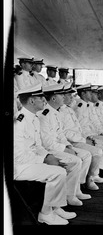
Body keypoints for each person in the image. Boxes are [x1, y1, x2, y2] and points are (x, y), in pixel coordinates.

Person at [14, 83, 77, 224]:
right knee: (58, 172)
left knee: (62, 166)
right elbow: (18, 155)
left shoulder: (34, 118)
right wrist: (44, 160)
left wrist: (49, 156)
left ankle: (55, 207)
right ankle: (46, 213)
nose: (44, 101)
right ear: (31, 101)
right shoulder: (20, 122)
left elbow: (38, 146)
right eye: (41, 98)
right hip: (18, 166)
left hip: (30, 161)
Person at [37, 84, 93, 206]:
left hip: (58, 146)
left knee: (85, 154)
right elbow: (47, 143)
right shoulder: (44, 115)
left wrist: (69, 147)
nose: (64, 97)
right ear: (53, 98)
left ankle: (76, 189)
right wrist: (65, 149)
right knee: (76, 160)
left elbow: (61, 134)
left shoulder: (55, 112)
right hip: (49, 150)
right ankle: (69, 195)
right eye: (61, 95)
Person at [59, 83, 103, 190]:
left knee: (97, 150)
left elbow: (78, 127)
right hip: (71, 142)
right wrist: (83, 139)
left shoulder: (69, 109)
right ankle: (84, 182)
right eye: (68, 95)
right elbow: (65, 132)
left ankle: (87, 180)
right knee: (95, 152)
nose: (72, 97)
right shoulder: (61, 112)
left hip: (78, 138)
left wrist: (85, 137)